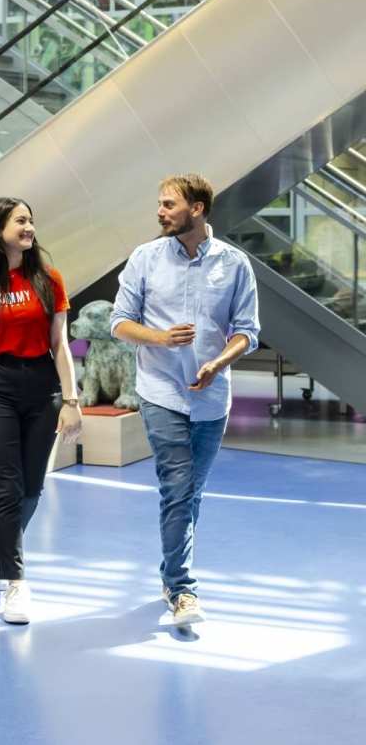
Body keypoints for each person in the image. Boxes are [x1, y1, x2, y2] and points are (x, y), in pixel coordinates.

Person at [111, 174, 259, 625]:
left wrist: (217, 363)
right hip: (159, 392)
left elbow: (247, 332)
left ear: (196, 209)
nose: (160, 212)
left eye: (169, 204)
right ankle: (182, 589)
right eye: (159, 204)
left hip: (213, 399)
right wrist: (160, 337)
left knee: (191, 492)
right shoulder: (145, 259)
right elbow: (119, 322)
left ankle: (170, 573)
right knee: (177, 487)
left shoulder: (234, 265)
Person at [0, 197, 82, 624]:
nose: (29, 227)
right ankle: (15, 582)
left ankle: (3, 546)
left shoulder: (48, 278)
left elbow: (60, 344)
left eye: (31, 221)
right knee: (6, 486)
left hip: (41, 388)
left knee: (32, 488)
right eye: (20, 220)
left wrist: (72, 401)